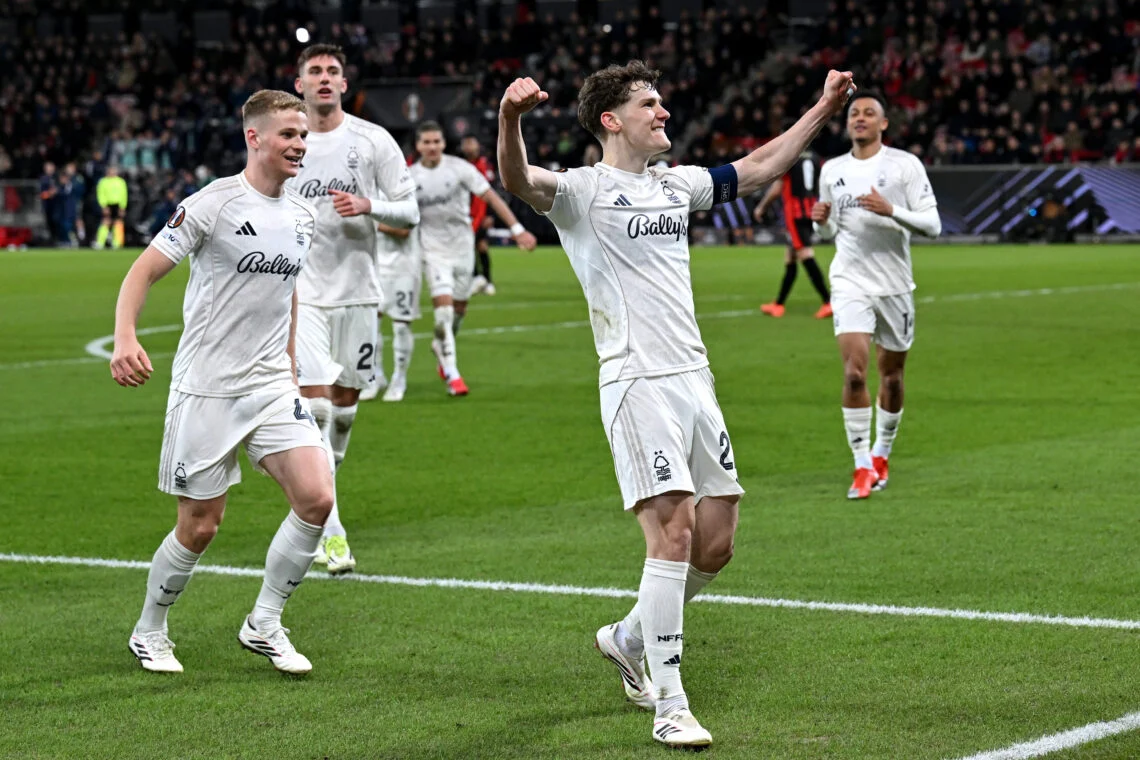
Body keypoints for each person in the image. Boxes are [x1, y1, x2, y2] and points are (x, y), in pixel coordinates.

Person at [497, 61, 855, 748]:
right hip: (636, 380)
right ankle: (670, 702)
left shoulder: (676, 184)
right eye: (649, 104)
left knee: (716, 543)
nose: (664, 113)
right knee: (674, 534)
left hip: (695, 379)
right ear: (611, 120)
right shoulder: (582, 192)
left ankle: (629, 637)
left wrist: (822, 108)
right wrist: (510, 117)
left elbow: (761, 165)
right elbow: (519, 179)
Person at [111, 89, 332, 676]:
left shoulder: (303, 216)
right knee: (200, 525)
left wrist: (289, 367)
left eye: (303, 135)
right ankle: (149, 630)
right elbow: (142, 271)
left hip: (271, 385)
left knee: (317, 498)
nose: (299, 145)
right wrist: (125, 337)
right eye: (288, 134)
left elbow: (286, 294)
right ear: (254, 137)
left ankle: (264, 622)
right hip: (207, 388)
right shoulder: (213, 204)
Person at [288, 44, 420, 571]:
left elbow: (410, 212)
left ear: (344, 83)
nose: (324, 78)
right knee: (317, 409)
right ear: (299, 84)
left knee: (343, 413)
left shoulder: (372, 140)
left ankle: (320, 490)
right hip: (301, 294)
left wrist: (368, 205)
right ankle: (331, 530)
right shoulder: (287, 138)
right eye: (314, 71)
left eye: (332, 72)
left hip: (359, 292)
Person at [810, 94, 941, 500]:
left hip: (895, 285)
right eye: (854, 113)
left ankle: (882, 451)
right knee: (854, 373)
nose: (860, 118)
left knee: (893, 377)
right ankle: (862, 464)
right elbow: (829, 233)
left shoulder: (905, 165)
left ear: (884, 124)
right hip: (849, 281)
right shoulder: (832, 170)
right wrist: (821, 224)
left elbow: (933, 226)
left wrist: (892, 211)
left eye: (869, 113)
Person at [412, 120, 536, 397]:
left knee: (458, 311)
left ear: (443, 143)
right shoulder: (409, 176)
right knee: (443, 312)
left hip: (462, 248)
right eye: (426, 142)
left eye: (436, 141)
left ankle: (441, 345)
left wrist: (517, 229)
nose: (432, 147)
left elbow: (491, 197)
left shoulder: (459, 168)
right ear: (418, 146)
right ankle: (452, 374)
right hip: (432, 252)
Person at [753, 150, 832, 318]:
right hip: (810, 209)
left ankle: (828, 301)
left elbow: (777, 188)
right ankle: (779, 304)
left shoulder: (789, 156)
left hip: (795, 213)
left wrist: (762, 207)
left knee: (805, 254)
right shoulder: (816, 157)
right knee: (790, 258)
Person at [460, 135, 499, 296]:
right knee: (468, 247)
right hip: (463, 212)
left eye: (472, 143)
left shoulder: (485, 164)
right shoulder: (460, 165)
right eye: (466, 144)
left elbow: (492, 191)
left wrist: (490, 214)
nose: (469, 147)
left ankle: (488, 281)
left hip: (481, 212)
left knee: (481, 246)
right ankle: (476, 278)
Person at [95, 165, 128, 249]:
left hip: (117, 205)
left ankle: (116, 243)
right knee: (105, 222)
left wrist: (123, 206)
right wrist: (103, 206)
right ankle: (100, 242)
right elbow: (100, 194)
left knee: (118, 223)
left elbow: (124, 194)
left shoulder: (121, 181)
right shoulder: (103, 181)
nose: (112, 172)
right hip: (107, 204)